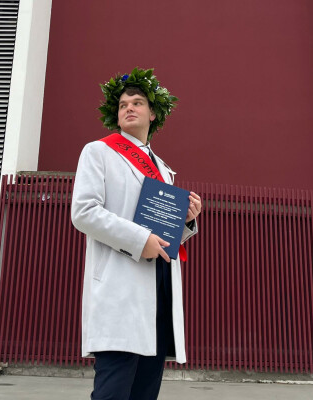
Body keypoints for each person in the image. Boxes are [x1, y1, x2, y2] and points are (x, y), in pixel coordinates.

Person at [71, 67, 201, 400]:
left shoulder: (163, 169)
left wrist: (184, 222)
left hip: (157, 294)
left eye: (138, 102)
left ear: (153, 113)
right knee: (112, 392)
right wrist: (139, 240)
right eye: (123, 104)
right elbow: (83, 212)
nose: (129, 107)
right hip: (119, 290)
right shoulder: (98, 152)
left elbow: (162, 238)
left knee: (145, 394)